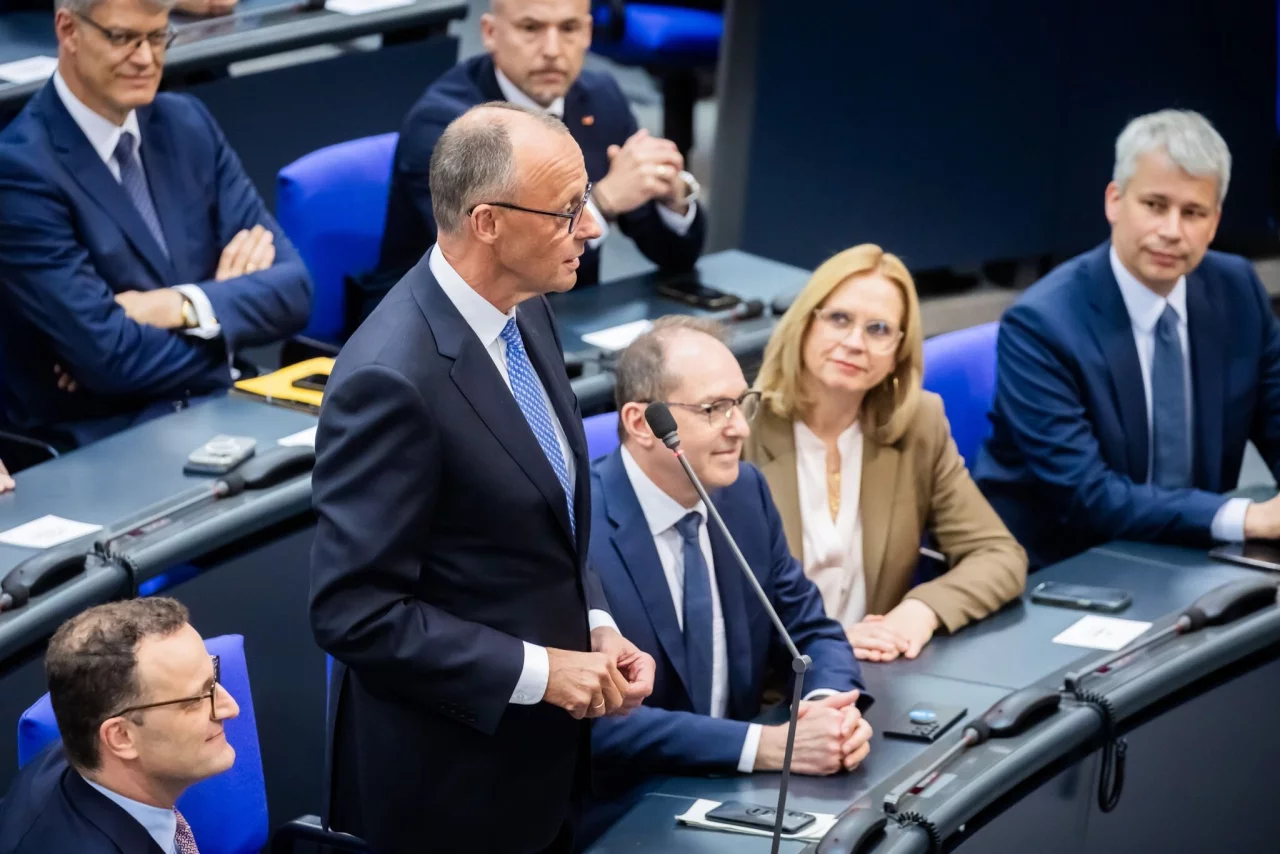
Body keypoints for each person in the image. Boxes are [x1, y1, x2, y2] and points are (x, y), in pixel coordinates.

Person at [310, 103, 655, 854]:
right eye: (567, 212)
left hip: (547, 768)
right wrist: (541, 671)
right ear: (488, 223)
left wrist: (595, 623)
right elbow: (355, 613)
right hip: (448, 791)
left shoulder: (526, 308)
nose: (592, 228)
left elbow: (545, 518)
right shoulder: (388, 379)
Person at [0, 0, 312, 450]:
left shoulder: (187, 124)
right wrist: (225, 322)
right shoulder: (20, 170)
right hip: (105, 441)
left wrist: (177, 306)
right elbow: (111, 359)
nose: (146, 58)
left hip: (225, 406)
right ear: (68, 31)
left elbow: (294, 291)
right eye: (123, 38)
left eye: (158, 37)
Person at [973, 110, 1280, 567]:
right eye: (1155, 205)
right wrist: (1248, 518)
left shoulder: (1238, 291)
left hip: (1195, 553)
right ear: (1114, 201)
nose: (1171, 231)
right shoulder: (1042, 324)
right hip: (1070, 564)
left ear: (1214, 222)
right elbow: (1087, 495)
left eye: (1192, 212)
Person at [588, 316, 871, 797]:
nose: (739, 428)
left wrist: (827, 711)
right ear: (641, 423)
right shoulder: (578, 526)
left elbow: (811, 632)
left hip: (744, 792)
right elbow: (592, 718)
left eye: (741, 404)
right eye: (714, 408)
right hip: (627, 802)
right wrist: (766, 746)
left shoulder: (744, 494)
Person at [744, 245, 1026, 661]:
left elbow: (998, 555)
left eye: (878, 330)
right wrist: (827, 646)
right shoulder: (741, 428)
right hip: (774, 683)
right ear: (804, 324)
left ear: (898, 352)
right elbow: (715, 609)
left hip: (874, 672)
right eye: (839, 319)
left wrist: (919, 611)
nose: (854, 343)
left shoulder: (917, 425)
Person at [375, 0, 704, 294]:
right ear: (490, 33)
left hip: (565, 322)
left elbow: (676, 256)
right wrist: (603, 203)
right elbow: (490, 272)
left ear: (588, 33)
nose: (552, 50)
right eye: (531, 28)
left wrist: (673, 199)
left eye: (569, 28)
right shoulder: (447, 126)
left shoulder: (602, 99)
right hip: (443, 329)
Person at [0, 597, 240, 854]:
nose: (231, 708)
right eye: (196, 699)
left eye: (213, 680)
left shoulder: (83, 749)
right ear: (121, 737)